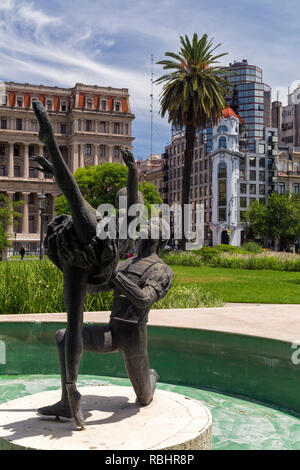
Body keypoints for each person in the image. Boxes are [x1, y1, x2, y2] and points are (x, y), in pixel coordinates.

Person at [32, 101, 141, 427]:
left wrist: (133, 174)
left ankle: (49, 135)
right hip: (90, 259)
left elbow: (128, 199)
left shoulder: (123, 218)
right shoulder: (122, 219)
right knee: (71, 329)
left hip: (93, 251)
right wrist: (131, 175)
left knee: (74, 193)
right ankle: (69, 398)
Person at [38, 218, 173, 428]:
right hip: (113, 332)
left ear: (161, 238)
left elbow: (145, 298)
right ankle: (66, 402)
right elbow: (95, 288)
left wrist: (115, 275)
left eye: (152, 228)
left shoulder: (162, 270)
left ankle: (151, 376)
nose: (145, 230)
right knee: (63, 336)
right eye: (144, 227)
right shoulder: (125, 264)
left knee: (144, 398)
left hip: (134, 337)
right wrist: (79, 269)